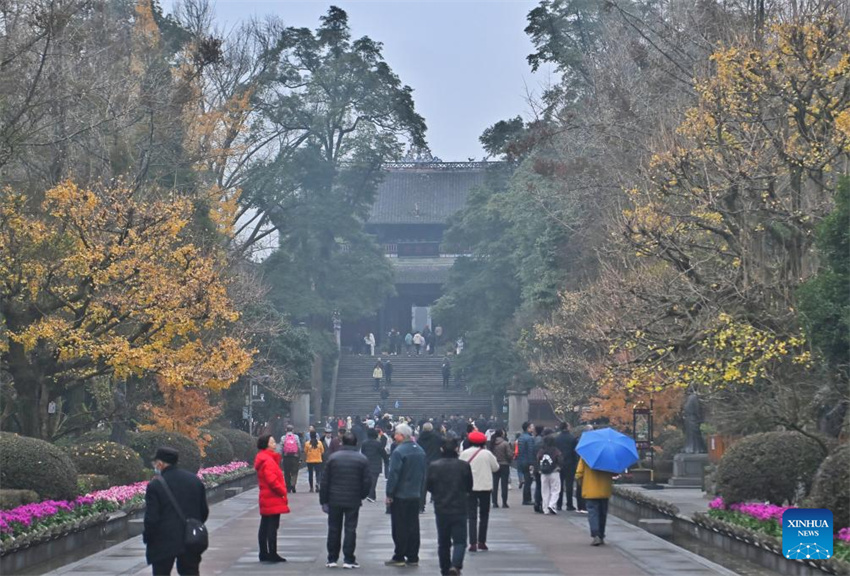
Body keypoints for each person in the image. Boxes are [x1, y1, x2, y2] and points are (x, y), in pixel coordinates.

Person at [143, 447, 210, 575]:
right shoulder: (194, 480)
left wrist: (148, 537)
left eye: (155, 463)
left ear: (160, 463)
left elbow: (152, 518)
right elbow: (203, 511)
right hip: (190, 539)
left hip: (163, 541)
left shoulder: (155, 485)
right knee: (190, 572)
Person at [321, 432, 372, 568]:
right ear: (356, 443)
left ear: (342, 442)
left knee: (333, 528)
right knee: (350, 529)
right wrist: (362, 495)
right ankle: (348, 559)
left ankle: (332, 558)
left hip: (334, 498)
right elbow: (367, 481)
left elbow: (325, 481)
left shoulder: (333, 458)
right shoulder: (361, 459)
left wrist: (323, 500)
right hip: (353, 498)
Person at [427, 438, 473, 576]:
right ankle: (456, 565)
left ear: (441, 449)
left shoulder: (434, 465)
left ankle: (444, 570)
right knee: (460, 541)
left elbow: (429, 486)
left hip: (441, 508)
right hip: (459, 507)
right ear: (457, 449)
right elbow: (469, 486)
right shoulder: (464, 466)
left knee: (443, 542)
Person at [384, 423, 426, 567]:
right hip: (415, 494)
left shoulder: (399, 451)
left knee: (400, 526)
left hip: (401, 494)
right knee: (413, 525)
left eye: (396, 434)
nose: (394, 436)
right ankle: (413, 556)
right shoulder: (420, 450)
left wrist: (389, 493)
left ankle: (400, 555)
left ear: (402, 435)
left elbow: (393, 474)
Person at [459, 431, 498, 552]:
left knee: (471, 516)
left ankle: (472, 543)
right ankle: (482, 541)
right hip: (485, 487)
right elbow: (496, 467)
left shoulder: (464, 454)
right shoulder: (487, 454)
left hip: (470, 488)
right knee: (484, 515)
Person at [254, 435, 290, 563]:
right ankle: (272, 553)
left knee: (264, 525)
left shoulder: (264, 458)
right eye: (273, 442)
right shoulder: (268, 461)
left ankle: (264, 552)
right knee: (272, 527)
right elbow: (272, 480)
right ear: (266, 445)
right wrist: (282, 491)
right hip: (272, 497)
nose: (275, 444)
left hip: (266, 496)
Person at [576, 456, 615, 545]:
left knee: (593, 513)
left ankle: (595, 534)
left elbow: (579, 473)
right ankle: (601, 535)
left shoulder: (585, 456)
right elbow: (614, 472)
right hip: (604, 490)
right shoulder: (608, 457)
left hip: (590, 490)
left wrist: (581, 482)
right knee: (602, 514)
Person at [416, 422, 443, 512]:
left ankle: (420, 506)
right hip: (435, 462)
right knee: (437, 484)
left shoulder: (419, 438)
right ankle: (437, 503)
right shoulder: (437, 437)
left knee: (422, 486)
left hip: (423, 462)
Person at [537, 434, 563, 515]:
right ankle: (552, 505)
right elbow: (560, 460)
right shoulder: (556, 451)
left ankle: (545, 509)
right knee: (555, 490)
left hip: (543, 473)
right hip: (554, 472)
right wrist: (559, 467)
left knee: (545, 491)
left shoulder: (541, 450)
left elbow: (537, 459)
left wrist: (539, 469)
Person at [361, 428, 389, 502]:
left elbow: (362, 453)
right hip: (376, 464)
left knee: (369, 480)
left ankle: (372, 495)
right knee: (374, 480)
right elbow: (383, 453)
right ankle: (371, 495)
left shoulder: (364, 443)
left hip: (366, 463)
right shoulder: (378, 443)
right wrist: (386, 461)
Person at [555, 422, 577, 511]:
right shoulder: (572, 438)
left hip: (559, 464)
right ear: (567, 427)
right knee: (569, 485)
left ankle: (559, 504)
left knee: (559, 485)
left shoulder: (557, 438)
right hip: (570, 463)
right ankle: (569, 504)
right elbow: (574, 452)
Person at [490, 429, 512, 508]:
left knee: (495, 485)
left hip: (495, 465)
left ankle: (494, 502)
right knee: (504, 485)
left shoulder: (492, 443)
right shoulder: (505, 444)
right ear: (502, 434)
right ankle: (504, 502)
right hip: (504, 465)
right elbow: (509, 455)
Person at [516, 422, 536, 506]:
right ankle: (527, 499)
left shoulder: (521, 437)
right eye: (532, 426)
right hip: (527, 461)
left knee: (527, 480)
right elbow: (530, 451)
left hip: (521, 460)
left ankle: (527, 498)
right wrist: (532, 463)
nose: (533, 428)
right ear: (528, 428)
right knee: (528, 481)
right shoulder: (530, 438)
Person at [280, 425, 302, 493]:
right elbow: (299, 447)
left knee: (286, 473)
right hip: (294, 457)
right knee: (294, 472)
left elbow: (281, 448)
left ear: (286, 430)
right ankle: (293, 484)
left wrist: (281, 457)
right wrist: (299, 456)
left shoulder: (283, 437)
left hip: (286, 457)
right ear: (293, 430)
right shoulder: (296, 437)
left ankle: (288, 487)